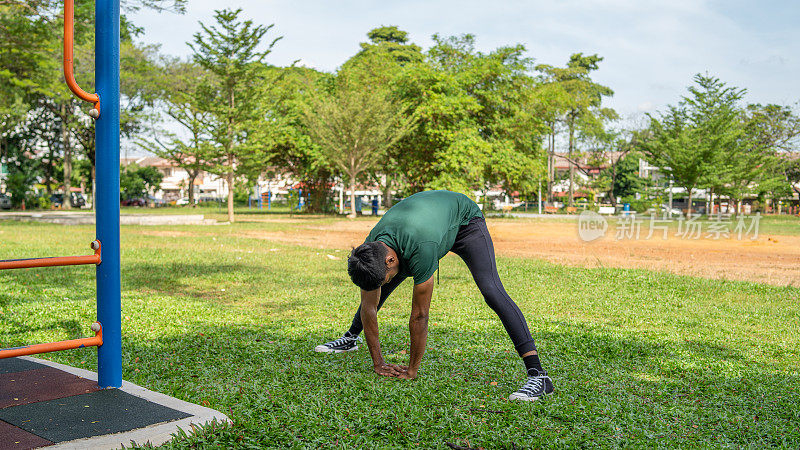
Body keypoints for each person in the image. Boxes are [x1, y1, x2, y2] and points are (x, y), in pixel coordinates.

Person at [315, 190, 553, 401]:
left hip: (464, 221)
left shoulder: (421, 248)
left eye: (385, 275)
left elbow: (420, 315)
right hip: (424, 225)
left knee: (491, 290)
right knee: (380, 290)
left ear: (391, 260)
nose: (383, 282)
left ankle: (538, 376)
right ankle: (350, 338)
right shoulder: (370, 251)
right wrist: (378, 363)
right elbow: (368, 306)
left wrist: (411, 370)